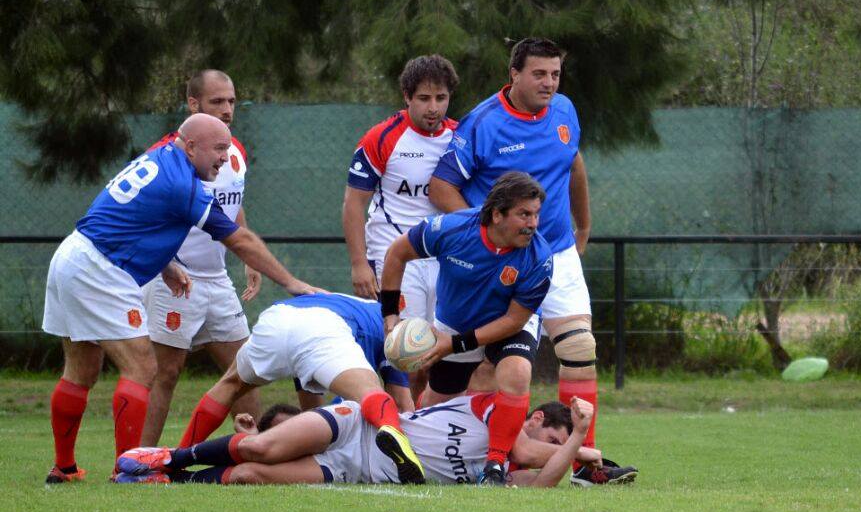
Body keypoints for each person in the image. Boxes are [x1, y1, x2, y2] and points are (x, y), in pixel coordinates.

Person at [42, 113, 316, 483]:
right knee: (142, 367)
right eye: (219, 148)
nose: (225, 156)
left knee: (80, 370)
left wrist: (165, 263)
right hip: (101, 270)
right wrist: (291, 282)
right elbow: (240, 239)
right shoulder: (183, 185)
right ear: (191, 146)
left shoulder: (158, 160)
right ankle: (131, 470)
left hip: (74, 256)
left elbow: (133, 218)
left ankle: (65, 468)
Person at [428, 38, 603, 459]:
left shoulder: (564, 110)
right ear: (514, 75)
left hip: (555, 253)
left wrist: (584, 225)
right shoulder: (482, 123)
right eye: (539, 74)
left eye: (555, 74)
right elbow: (441, 185)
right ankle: (466, 452)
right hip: (501, 263)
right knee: (481, 368)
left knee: (580, 349)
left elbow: (573, 163)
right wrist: (482, 236)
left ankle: (582, 461)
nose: (549, 83)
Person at [383, 171, 554, 485]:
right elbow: (397, 253)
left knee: (516, 374)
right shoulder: (453, 229)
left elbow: (514, 320)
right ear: (497, 214)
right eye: (524, 214)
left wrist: (455, 344)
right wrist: (390, 316)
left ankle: (494, 465)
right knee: (436, 401)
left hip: (508, 324)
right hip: (454, 323)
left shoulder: (539, 257)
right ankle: (406, 453)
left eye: (536, 215)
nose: (533, 224)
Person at [175, 292, 428, 484]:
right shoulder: (392, 330)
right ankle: (399, 441)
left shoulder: (347, 303)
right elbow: (402, 405)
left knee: (229, 384)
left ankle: (175, 459)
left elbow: (313, 410)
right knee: (373, 397)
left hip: (277, 317)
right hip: (324, 327)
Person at [140, 70, 264, 446]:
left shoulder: (233, 150)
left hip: (217, 280)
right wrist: (164, 264)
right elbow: (141, 218)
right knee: (166, 372)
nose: (227, 110)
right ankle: (136, 460)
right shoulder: (165, 156)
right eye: (217, 102)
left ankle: (263, 450)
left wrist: (247, 256)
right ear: (193, 104)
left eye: (231, 101)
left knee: (244, 368)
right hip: (174, 279)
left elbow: (230, 205)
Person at [116, 397, 619, 488]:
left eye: (564, 446)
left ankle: (170, 481)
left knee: (248, 476)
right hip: (358, 426)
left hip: (360, 471)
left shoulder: (504, 470)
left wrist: (576, 439)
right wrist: (587, 452)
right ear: (532, 418)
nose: (557, 451)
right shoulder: (499, 408)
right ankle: (170, 457)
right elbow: (528, 452)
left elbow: (540, 483)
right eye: (552, 437)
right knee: (256, 448)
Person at [343, 55, 460, 407]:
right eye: (424, 98)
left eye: (441, 98)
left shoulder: (459, 136)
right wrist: (359, 264)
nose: (433, 107)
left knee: (440, 348)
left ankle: (426, 429)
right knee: (403, 350)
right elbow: (353, 203)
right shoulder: (382, 137)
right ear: (407, 97)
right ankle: (400, 431)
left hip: (443, 258)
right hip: (395, 257)